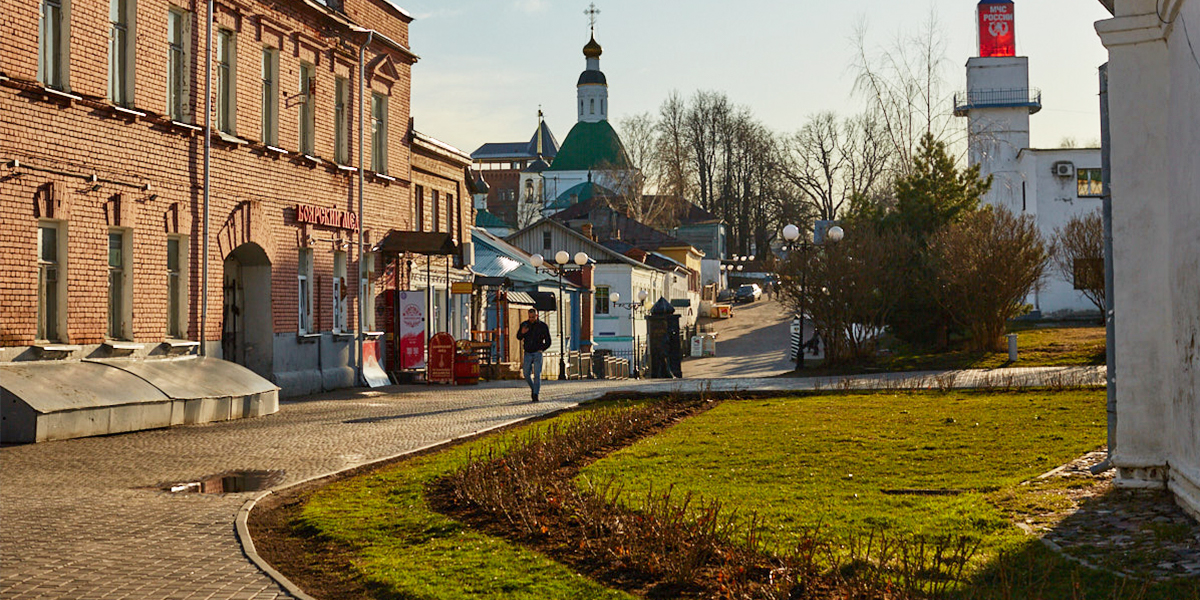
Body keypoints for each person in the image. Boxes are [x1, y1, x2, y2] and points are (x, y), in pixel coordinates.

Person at [516, 308, 552, 402]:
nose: (531, 319)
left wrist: (542, 349)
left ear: (537, 315)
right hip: (527, 352)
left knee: (537, 374)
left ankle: (535, 394)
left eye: (533, 317)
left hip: (537, 353)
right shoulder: (525, 325)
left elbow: (548, 341)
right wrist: (522, 333)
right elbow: (518, 337)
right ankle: (533, 388)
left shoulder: (542, 326)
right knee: (526, 374)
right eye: (530, 317)